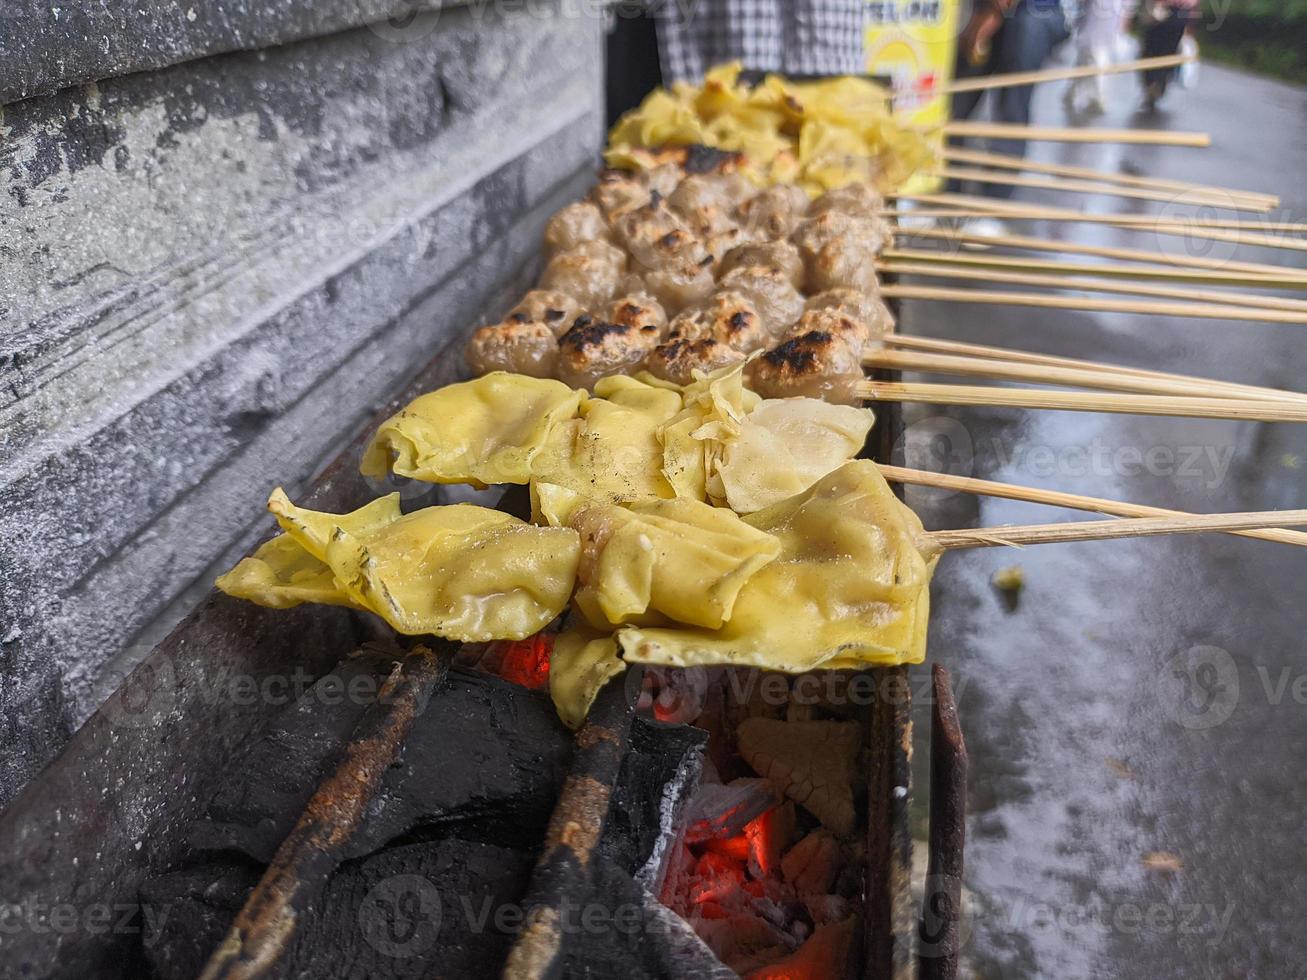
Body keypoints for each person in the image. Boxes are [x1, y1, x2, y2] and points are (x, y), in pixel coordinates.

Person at [950, 0, 1072, 204]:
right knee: (955, 104)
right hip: (983, 8)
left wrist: (994, 12)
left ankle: (994, 201)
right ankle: (947, 189)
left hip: (1032, 14)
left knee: (1011, 110)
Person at [1064, 0, 1137, 114]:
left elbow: (1127, 10)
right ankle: (1092, 97)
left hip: (1105, 35)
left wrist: (1124, 25)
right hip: (1090, 33)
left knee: (1094, 64)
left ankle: (1091, 96)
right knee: (1086, 65)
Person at [1138, 0, 1200, 110]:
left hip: (1160, 15)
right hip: (1179, 16)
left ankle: (1152, 84)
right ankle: (1159, 84)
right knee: (1168, 53)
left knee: (1152, 51)